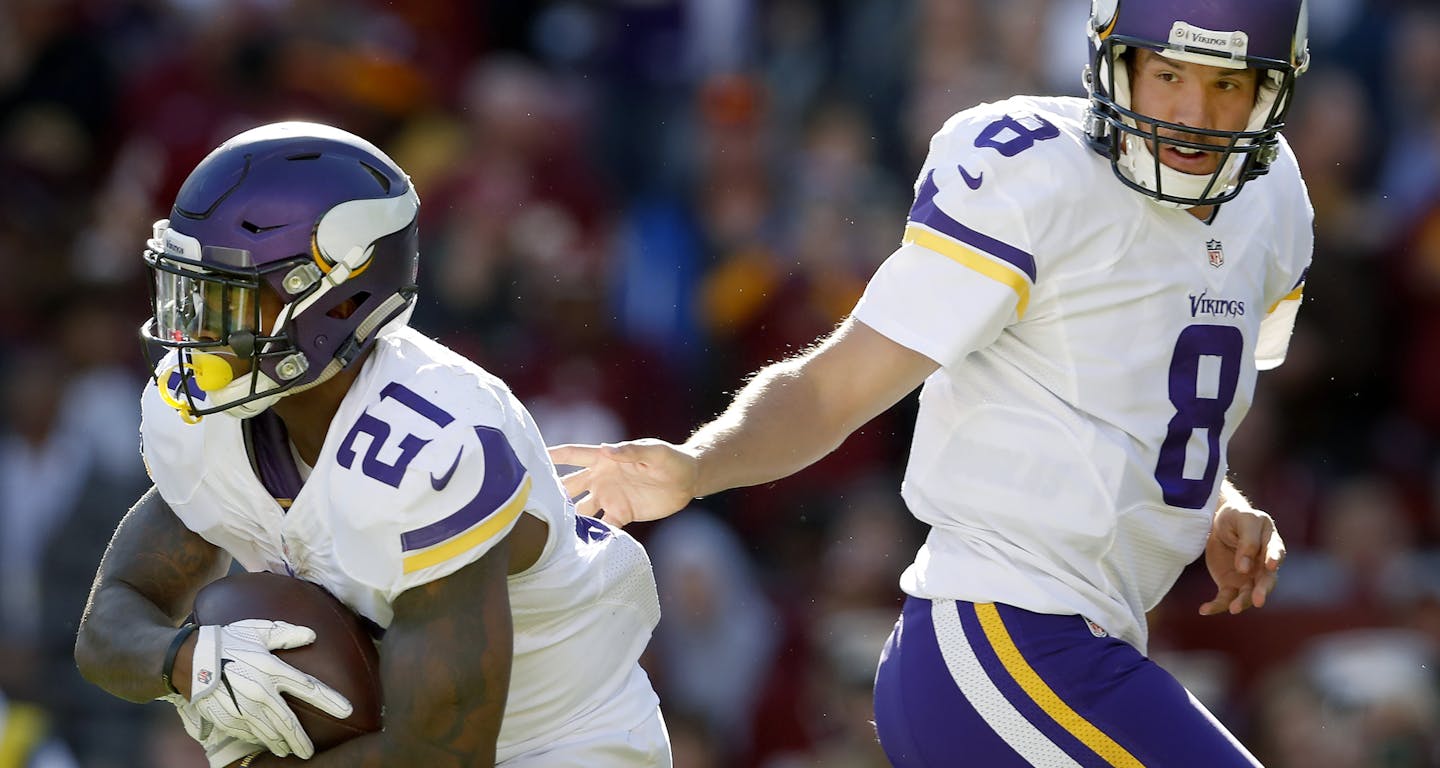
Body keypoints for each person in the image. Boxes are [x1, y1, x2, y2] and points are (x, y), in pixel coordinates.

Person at [550, 1, 1311, 765]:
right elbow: (834, 387)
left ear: (1271, 91)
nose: (1191, 111)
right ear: (1118, 64)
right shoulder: (1038, 174)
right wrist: (701, 463)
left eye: (1227, 84)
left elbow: (1150, 395)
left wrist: (1219, 503)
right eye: (1169, 73)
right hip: (1002, 635)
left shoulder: (1272, 197)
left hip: (1081, 638)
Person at [74, 122, 671, 768]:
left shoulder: (432, 442)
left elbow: (442, 755)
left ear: (335, 301)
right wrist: (190, 662)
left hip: (562, 741)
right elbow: (109, 625)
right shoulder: (217, 416)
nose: (196, 332)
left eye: (227, 299)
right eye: (190, 295)